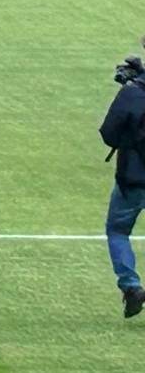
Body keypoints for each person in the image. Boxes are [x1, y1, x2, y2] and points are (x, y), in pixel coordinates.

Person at [100, 51, 145, 318]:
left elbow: (109, 133)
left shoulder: (132, 94)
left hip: (133, 179)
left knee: (118, 231)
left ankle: (131, 287)